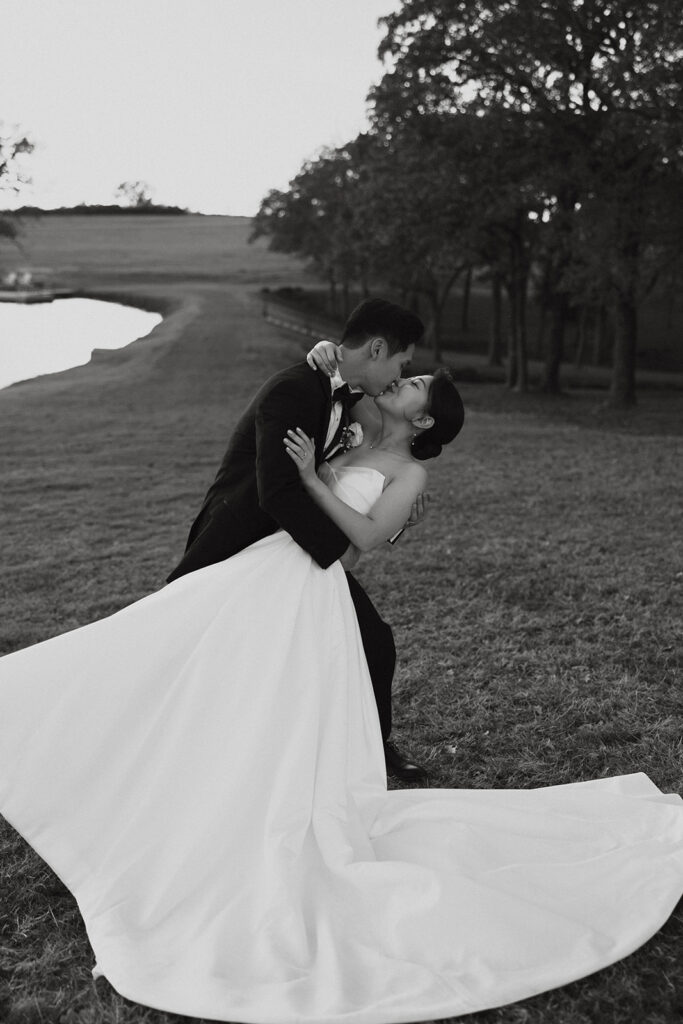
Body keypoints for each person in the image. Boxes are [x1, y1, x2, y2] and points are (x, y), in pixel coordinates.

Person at [0, 304, 682, 1023]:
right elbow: (331, 383)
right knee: (204, 663)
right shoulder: (340, 403)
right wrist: (326, 366)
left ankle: (286, 778)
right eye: (403, 365)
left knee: (305, 674)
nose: (401, 378)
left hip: (310, 568)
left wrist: (314, 478)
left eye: (412, 382)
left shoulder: (398, 464)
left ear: (422, 421)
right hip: (262, 557)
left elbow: (361, 537)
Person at [167, 298, 433, 782]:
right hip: (241, 534)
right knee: (182, 632)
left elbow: (364, 474)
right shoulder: (294, 389)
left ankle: (373, 743)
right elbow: (279, 491)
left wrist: (390, 526)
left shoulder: (350, 398)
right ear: (377, 348)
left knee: (373, 640)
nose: (400, 374)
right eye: (402, 362)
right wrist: (340, 555)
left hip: (296, 545)